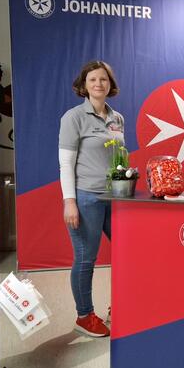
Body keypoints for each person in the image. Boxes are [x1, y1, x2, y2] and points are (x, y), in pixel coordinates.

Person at [59, 60, 124, 338]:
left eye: (104, 80)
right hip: (86, 199)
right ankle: (84, 316)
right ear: (84, 85)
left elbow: (119, 157)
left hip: (116, 198)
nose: (99, 84)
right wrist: (69, 202)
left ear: (110, 85)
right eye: (93, 80)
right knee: (86, 259)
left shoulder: (117, 118)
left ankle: (120, 307)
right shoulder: (73, 117)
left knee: (127, 253)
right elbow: (66, 163)